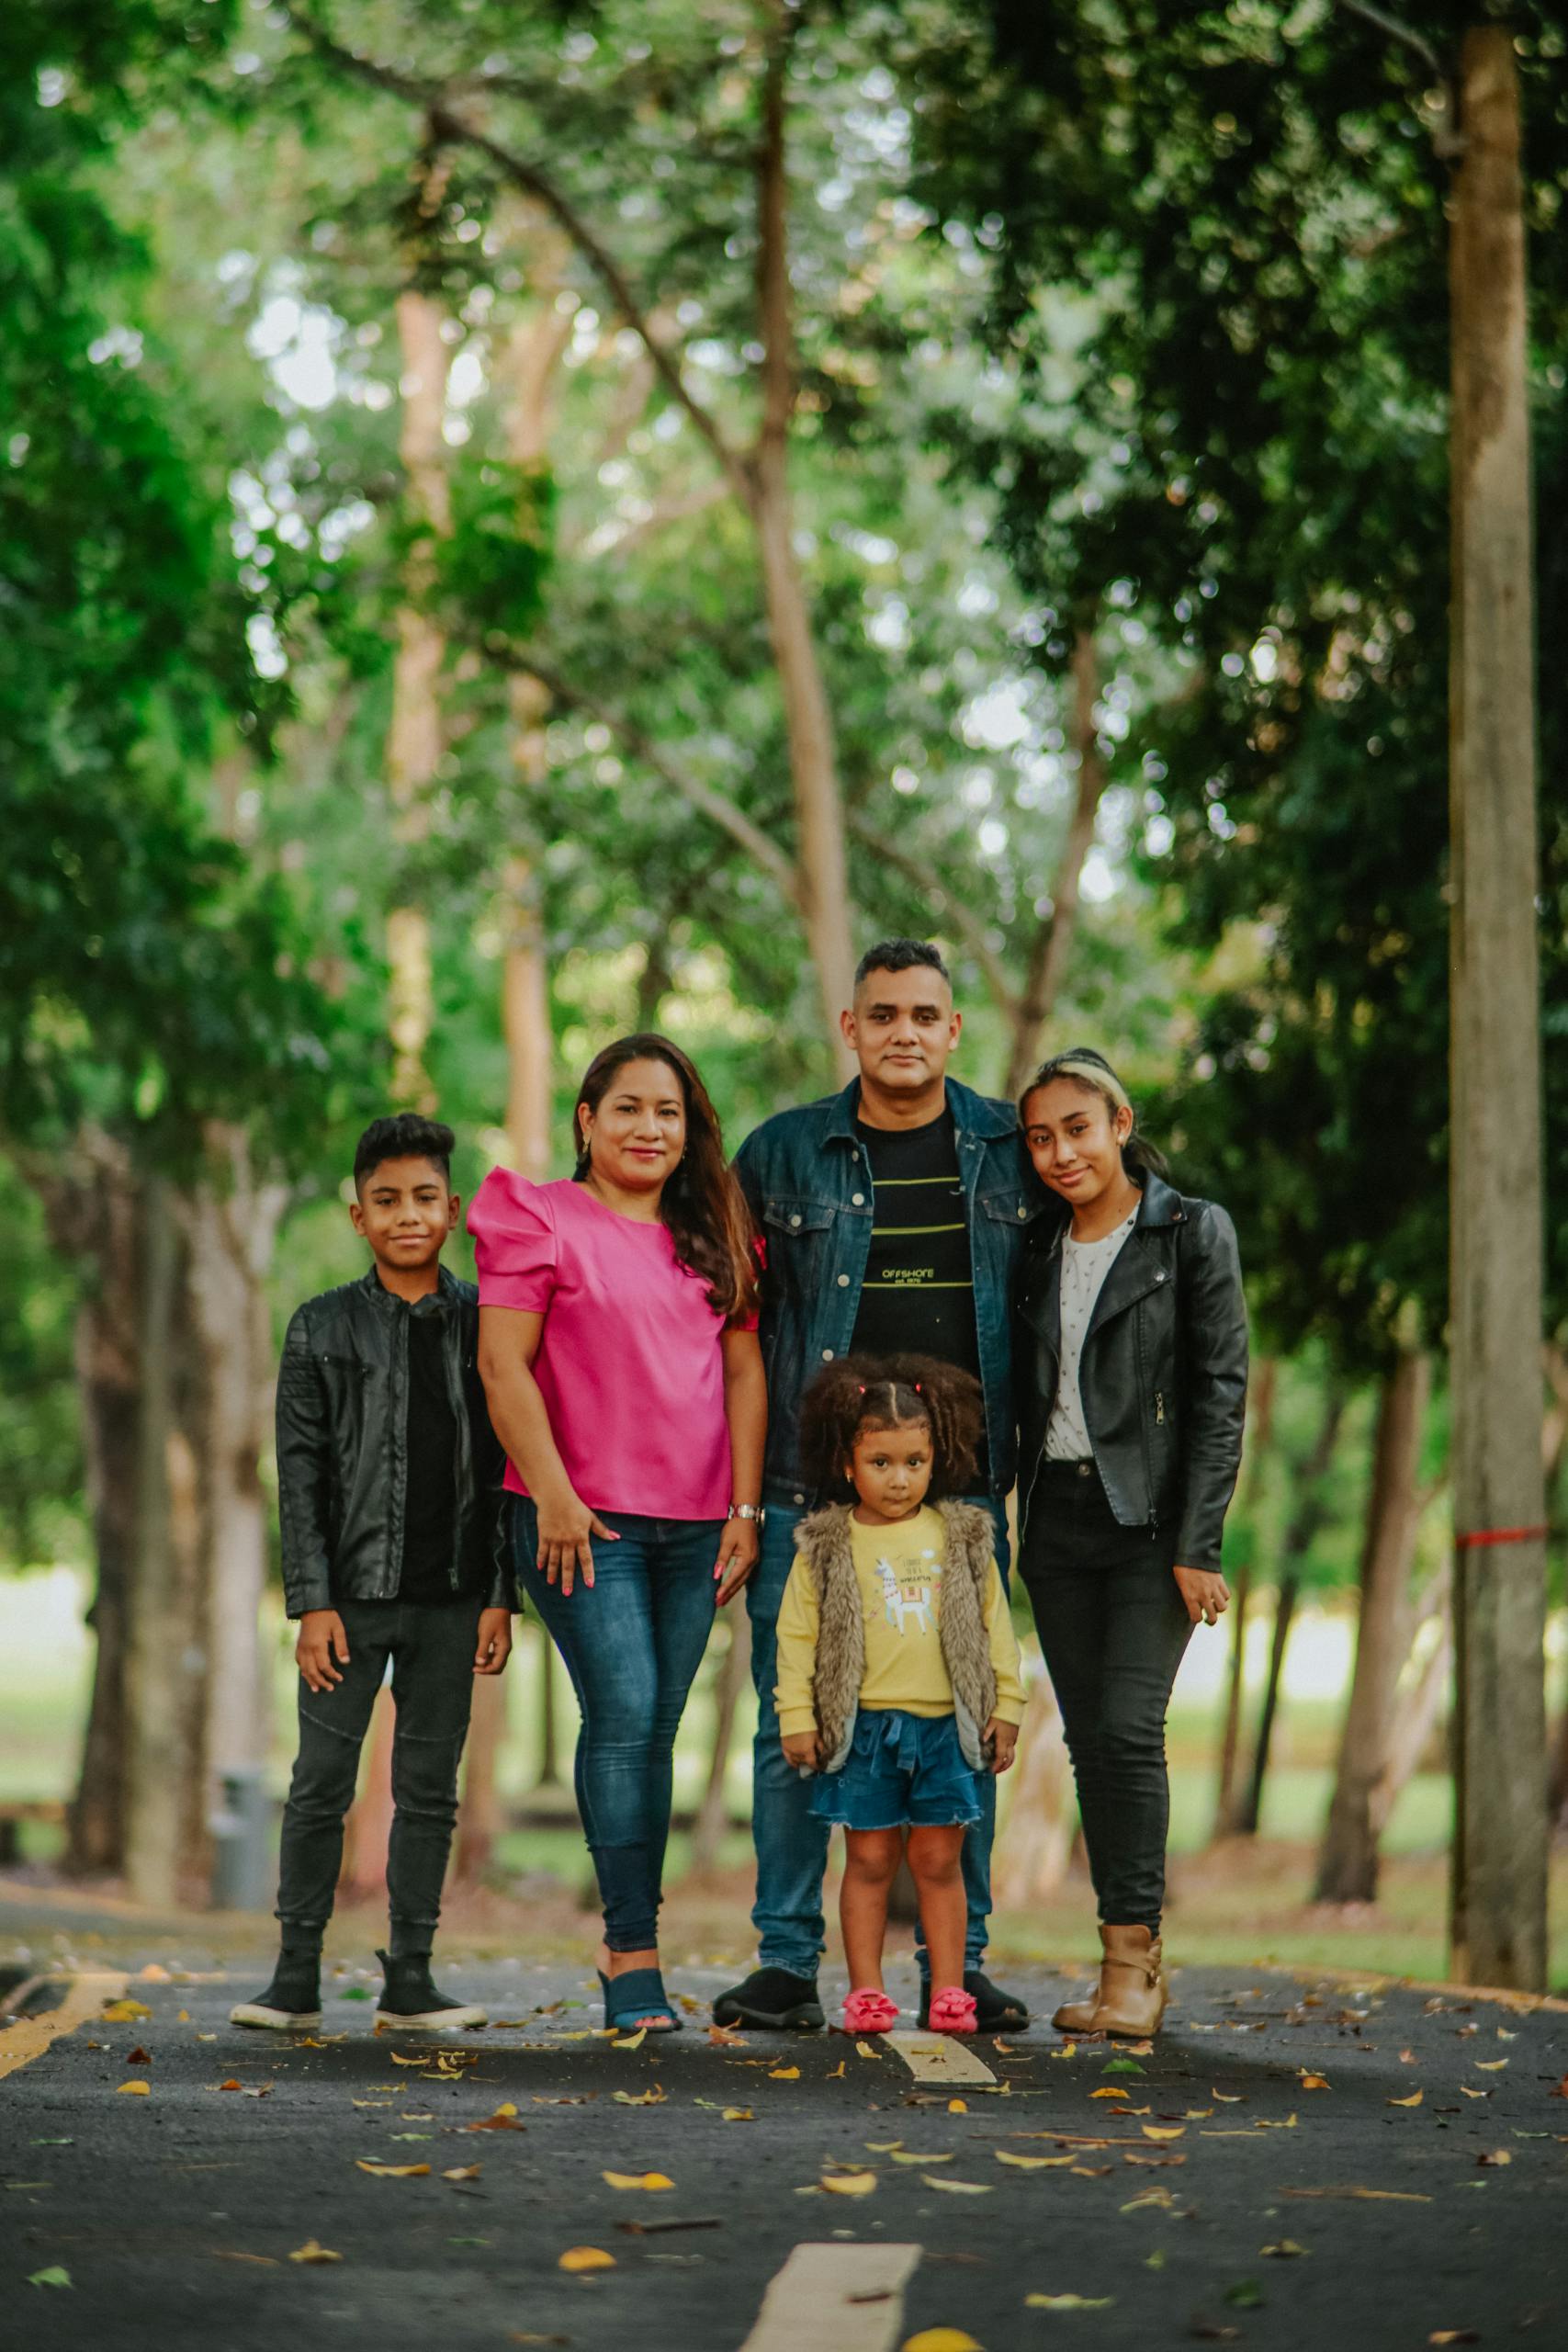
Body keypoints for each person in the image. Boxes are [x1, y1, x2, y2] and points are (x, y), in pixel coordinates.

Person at [716, 939, 1042, 2033]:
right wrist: (745, 1498)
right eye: (883, 1013)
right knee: (793, 1719)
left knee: (966, 1721)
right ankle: (784, 1962)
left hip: (962, 1500)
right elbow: (728, 1324)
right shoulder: (782, 1153)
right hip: (813, 1496)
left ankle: (965, 1969)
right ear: (849, 1029)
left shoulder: (1011, 1147)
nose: (905, 1031)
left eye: (925, 1014)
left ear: (955, 1031)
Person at [469, 1035, 766, 2035]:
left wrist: (745, 1507)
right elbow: (503, 1368)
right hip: (576, 1521)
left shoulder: (716, 1228)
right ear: (587, 1120)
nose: (650, 1127)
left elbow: (742, 1376)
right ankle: (632, 1949)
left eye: (670, 1112)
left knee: (651, 1734)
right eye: (628, 1107)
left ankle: (623, 1939)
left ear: (691, 1131)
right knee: (628, 1710)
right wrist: (551, 1494)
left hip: (695, 1525)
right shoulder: (537, 1215)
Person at [231, 1114, 513, 2037]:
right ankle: (294, 1974)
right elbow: (299, 1472)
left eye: (424, 1197)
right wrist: (310, 1603)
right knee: (320, 1781)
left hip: (453, 1600)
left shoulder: (487, 1323)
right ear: (358, 1215)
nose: (406, 1214)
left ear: (454, 1209)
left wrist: (500, 1595)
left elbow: (511, 1467)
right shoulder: (320, 1326)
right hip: (348, 1604)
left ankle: (412, 1979)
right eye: (386, 1199)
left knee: (431, 1791)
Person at [1014, 1049, 1247, 2038]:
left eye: (1077, 1127)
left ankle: (1134, 1969)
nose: (1061, 1151)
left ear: (1120, 1121)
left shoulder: (1190, 1232)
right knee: (1089, 1749)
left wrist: (1199, 1538)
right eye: (1040, 1137)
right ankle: (1118, 1966)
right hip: (1055, 1522)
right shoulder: (1035, 1246)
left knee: (1123, 1730)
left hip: (1150, 1525)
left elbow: (1221, 1390)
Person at [774, 1357, 1024, 2036]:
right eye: (880, 1462)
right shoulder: (826, 1545)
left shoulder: (962, 1535)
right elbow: (796, 1636)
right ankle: (865, 1993)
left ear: (935, 1458)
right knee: (870, 1859)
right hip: (864, 1733)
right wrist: (796, 1717)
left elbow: (993, 1624)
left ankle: (947, 1991)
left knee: (940, 1862)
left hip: (946, 1729)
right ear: (847, 1462)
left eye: (914, 1461)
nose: (899, 1478)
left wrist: (1008, 1704)